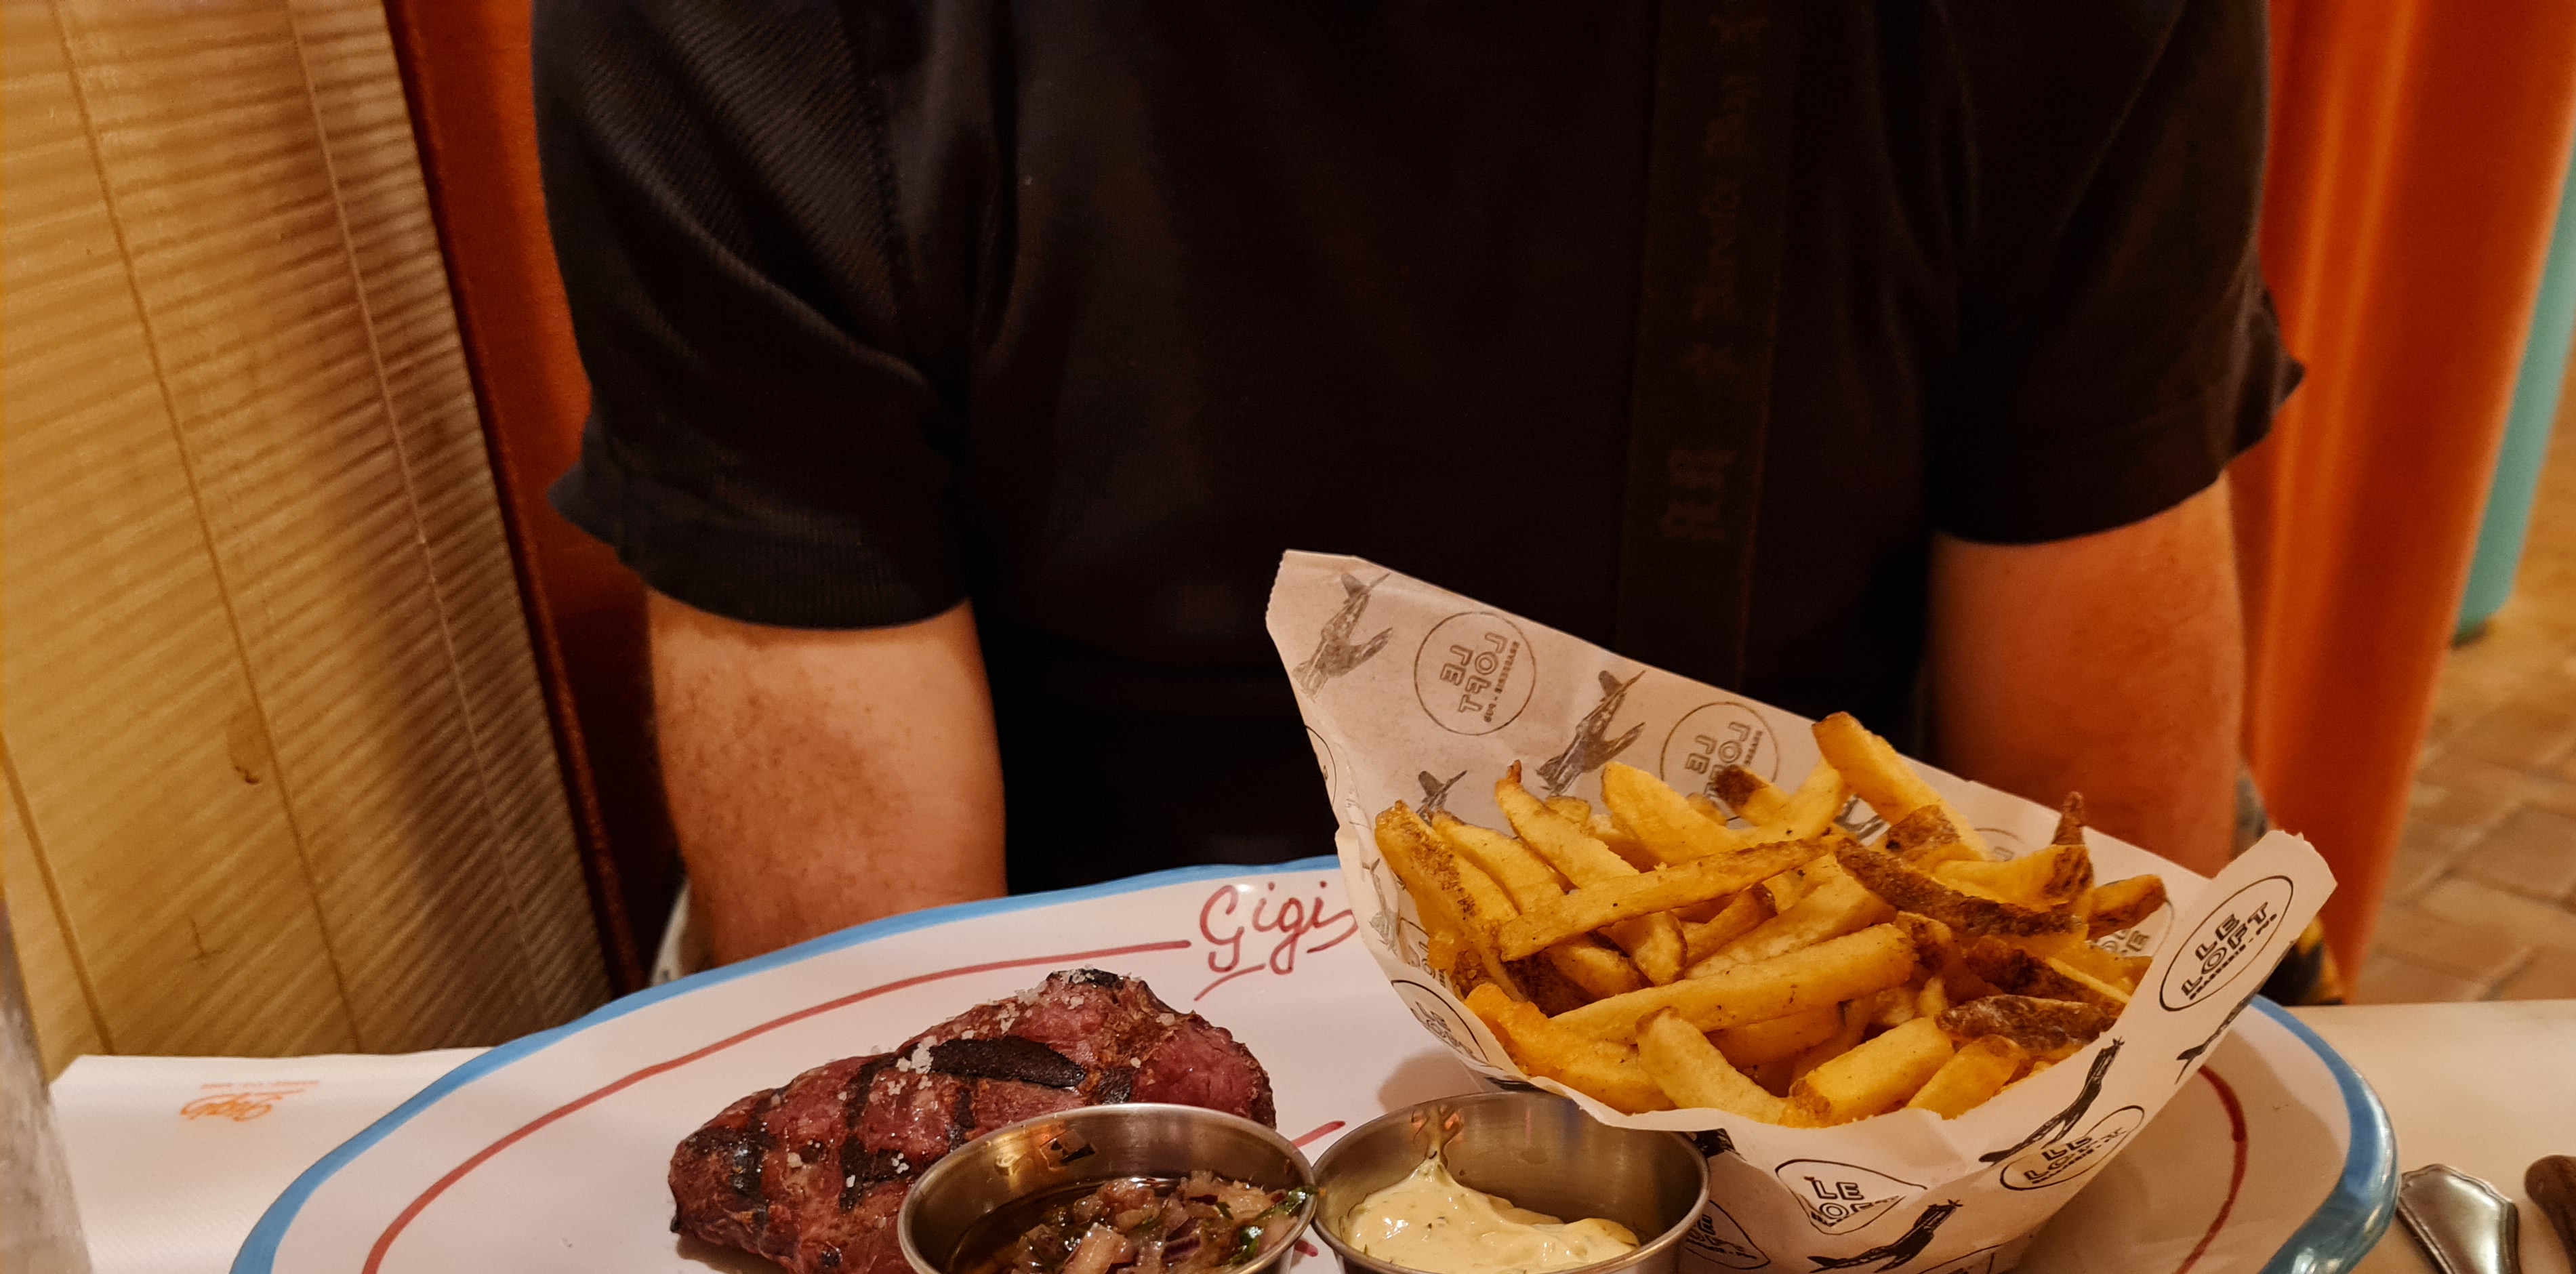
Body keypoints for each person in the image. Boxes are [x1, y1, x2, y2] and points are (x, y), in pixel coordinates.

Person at [536, 0, 2297, 966]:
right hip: (1105, 1032)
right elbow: (890, 1005)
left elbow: (2090, 898)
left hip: (1831, 1038)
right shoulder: (753, 41)